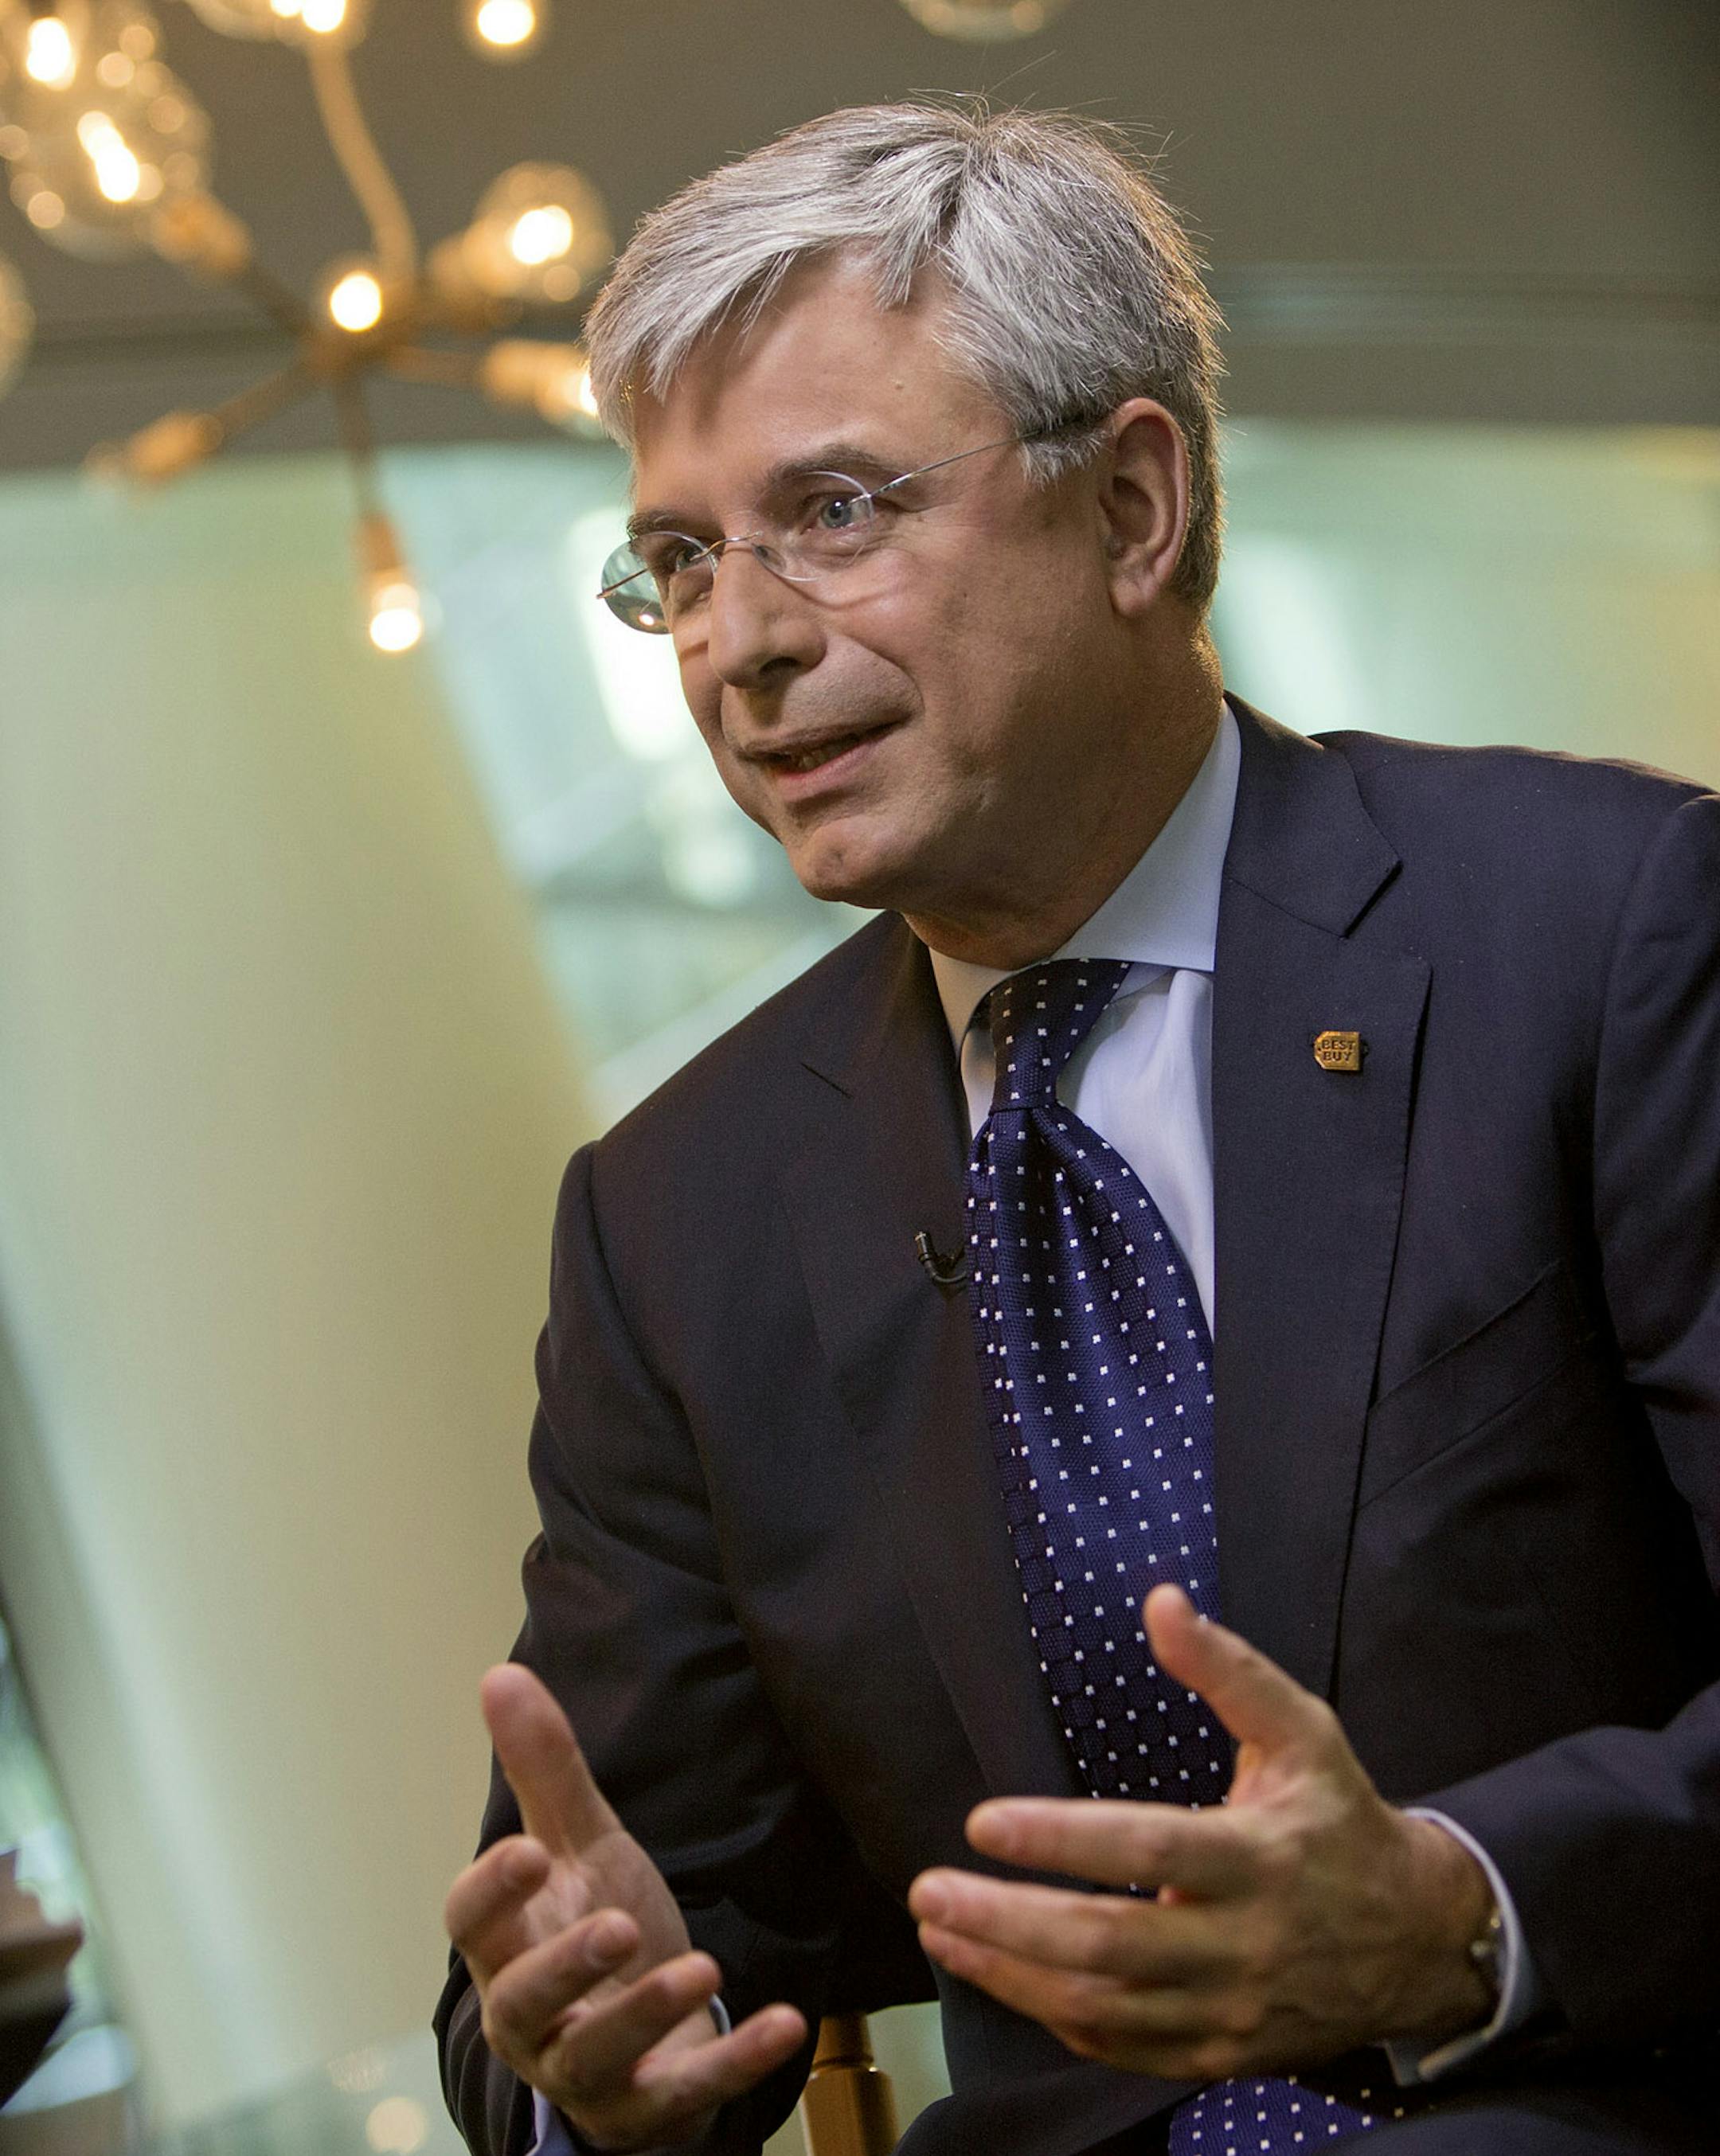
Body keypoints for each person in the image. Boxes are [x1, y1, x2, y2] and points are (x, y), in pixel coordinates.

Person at [434, 102, 1720, 2156]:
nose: (739, 642)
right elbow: (605, 1946)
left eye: (835, 512)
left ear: (1131, 505)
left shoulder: (1603, 930)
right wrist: (580, 2057)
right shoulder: (679, 1218)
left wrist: (1469, 1919)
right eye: (680, 559)